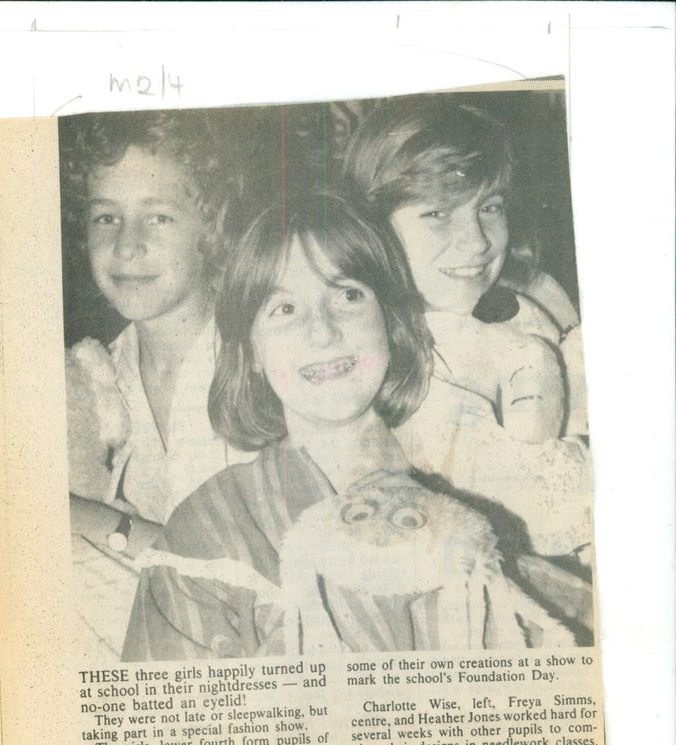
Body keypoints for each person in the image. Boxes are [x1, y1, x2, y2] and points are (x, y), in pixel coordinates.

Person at [122, 194, 574, 660]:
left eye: (348, 296)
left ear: (391, 322)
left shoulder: (483, 493)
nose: (323, 331)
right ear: (251, 352)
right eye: (284, 309)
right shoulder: (204, 531)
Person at [343, 97, 592, 558]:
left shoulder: (537, 297)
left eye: (490, 207)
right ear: (374, 226)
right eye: (438, 214)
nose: (477, 241)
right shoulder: (374, 350)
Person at [61, 110, 252, 560]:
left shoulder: (269, 361)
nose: (126, 246)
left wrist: (90, 518)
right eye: (106, 218)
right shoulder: (89, 380)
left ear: (214, 227)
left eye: (159, 218)